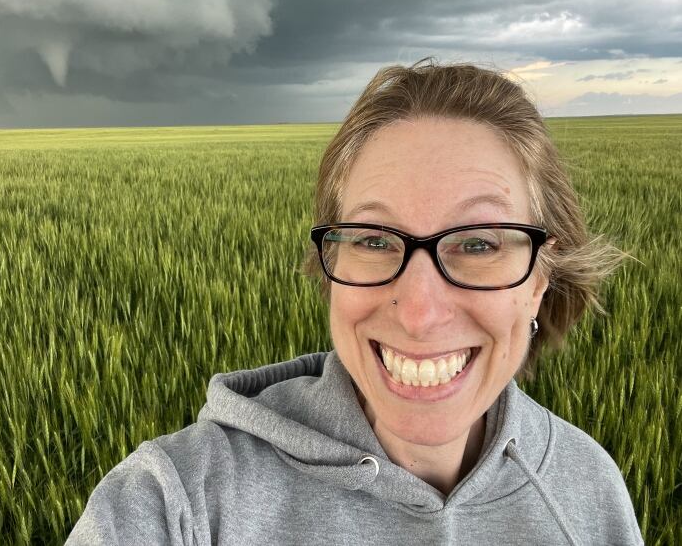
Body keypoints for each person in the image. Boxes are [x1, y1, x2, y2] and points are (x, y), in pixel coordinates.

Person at [66, 60, 643, 545]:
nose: (419, 312)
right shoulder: (174, 504)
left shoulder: (587, 487)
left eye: (478, 244)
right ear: (332, 268)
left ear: (540, 279)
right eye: (372, 240)